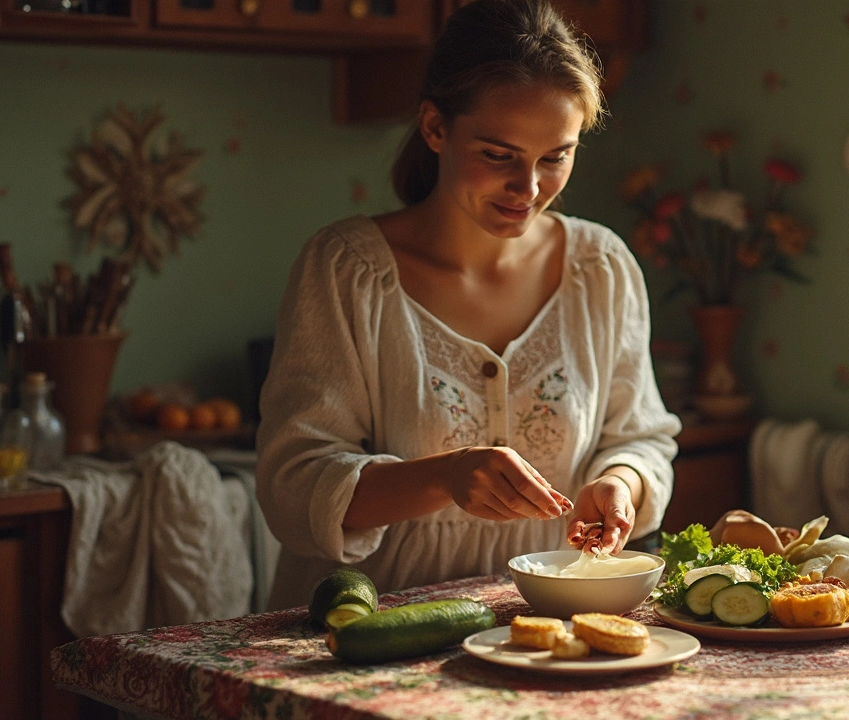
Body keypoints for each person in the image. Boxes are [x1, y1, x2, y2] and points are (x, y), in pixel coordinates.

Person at [256, 0, 681, 610]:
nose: (528, 188)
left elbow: (641, 437)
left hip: (545, 628)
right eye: (498, 154)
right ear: (435, 128)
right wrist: (441, 476)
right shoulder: (347, 269)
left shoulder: (600, 269)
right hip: (369, 629)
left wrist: (620, 482)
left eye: (555, 156)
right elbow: (292, 486)